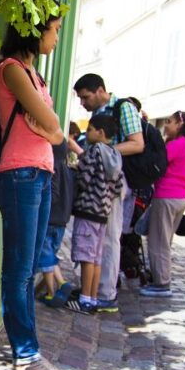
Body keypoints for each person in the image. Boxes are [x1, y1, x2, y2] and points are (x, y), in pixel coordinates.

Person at [0, 9, 66, 370]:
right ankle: (26, 352)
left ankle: (30, 348)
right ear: (34, 32)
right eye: (53, 30)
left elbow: (58, 134)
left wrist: (52, 132)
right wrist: (51, 131)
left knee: (30, 268)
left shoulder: (36, 75)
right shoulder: (11, 70)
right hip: (19, 173)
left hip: (40, 173)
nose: (55, 38)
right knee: (19, 270)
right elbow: (53, 125)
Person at [73, 73, 145, 311]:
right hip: (103, 181)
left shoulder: (123, 107)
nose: (83, 103)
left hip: (112, 183)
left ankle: (104, 294)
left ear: (100, 90)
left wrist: (103, 151)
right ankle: (92, 291)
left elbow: (137, 143)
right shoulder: (100, 114)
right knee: (99, 243)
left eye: (85, 97)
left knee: (109, 239)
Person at [66, 116, 124, 313]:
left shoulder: (94, 152)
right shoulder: (115, 155)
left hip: (88, 211)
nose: (87, 133)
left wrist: (75, 171)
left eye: (90, 129)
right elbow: (118, 188)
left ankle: (84, 300)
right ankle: (92, 297)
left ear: (100, 132)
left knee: (85, 257)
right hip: (103, 213)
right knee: (96, 258)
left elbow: (83, 178)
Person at [140, 111, 185, 297]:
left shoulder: (177, 145)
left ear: (179, 124)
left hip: (166, 195)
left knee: (158, 241)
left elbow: (157, 162)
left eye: (169, 122)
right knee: (165, 240)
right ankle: (162, 279)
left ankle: (161, 283)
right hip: (180, 197)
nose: (166, 125)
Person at [37, 139, 74, 308]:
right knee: (49, 254)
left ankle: (62, 283)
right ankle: (52, 293)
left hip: (51, 218)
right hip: (62, 221)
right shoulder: (67, 169)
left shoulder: (53, 166)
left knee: (46, 256)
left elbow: (53, 194)